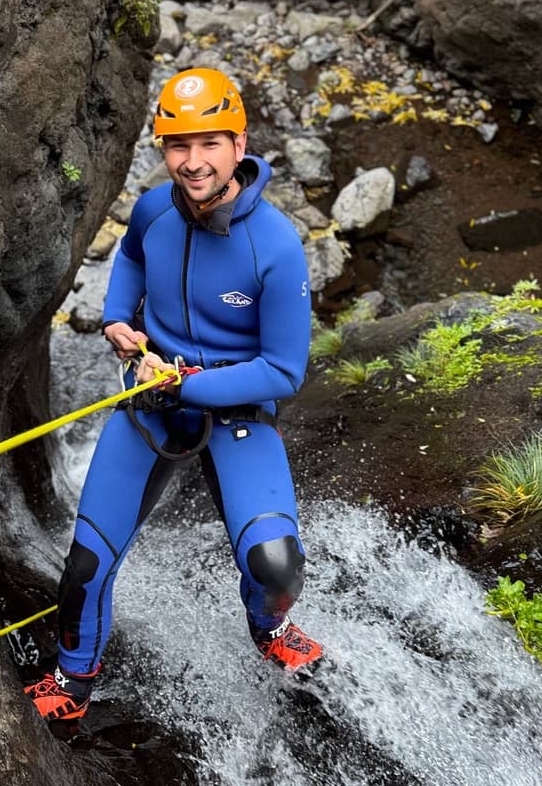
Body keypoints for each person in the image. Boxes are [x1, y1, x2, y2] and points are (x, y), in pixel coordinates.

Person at [24, 67, 322, 725]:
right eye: (177, 146)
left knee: (277, 567)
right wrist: (115, 317)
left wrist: (189, 381)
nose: (191, 163)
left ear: (239, 144)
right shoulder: (156, 208)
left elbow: (282, 371)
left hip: (235, 409)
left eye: (208, 144)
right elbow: (130, 254)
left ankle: (266, 626)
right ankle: (73, 681)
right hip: (153, 406)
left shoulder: (275, 247)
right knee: (84, 566)